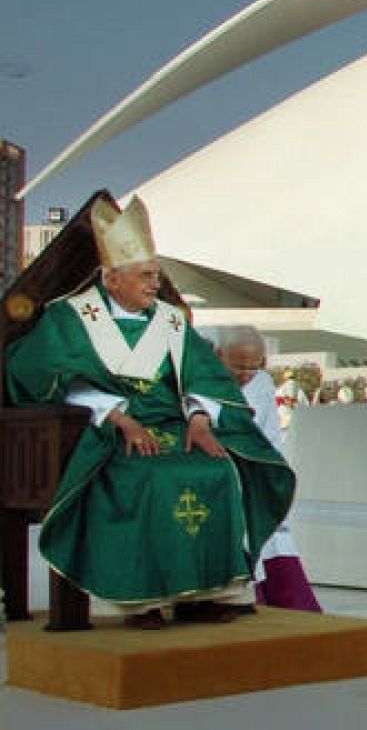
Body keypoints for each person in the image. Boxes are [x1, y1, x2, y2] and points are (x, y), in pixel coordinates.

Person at [4, 197, 295, 629]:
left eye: (156, 275)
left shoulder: (170, 322)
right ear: (113, 278)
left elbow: (207, 374)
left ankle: (206, 594)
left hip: (175, 428)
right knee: (148, 478)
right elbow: (41, 370)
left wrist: (199, 419)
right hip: (110, 433)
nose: (154, 284)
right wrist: (119, 416)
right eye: (145, 275)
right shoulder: (72, 318)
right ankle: (142, 601)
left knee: (219, 470)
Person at [213, 325, 323, 612]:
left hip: (253, 469)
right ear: (219, 355)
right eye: (238, 367)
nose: (246, 374)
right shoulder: (204, 380)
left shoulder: (261, 383)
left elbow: (270, 437)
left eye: (254, 366)